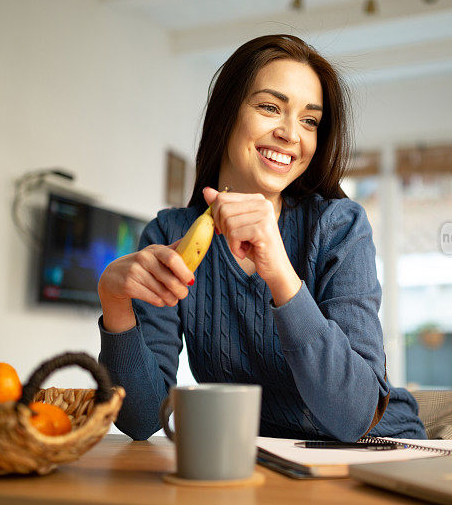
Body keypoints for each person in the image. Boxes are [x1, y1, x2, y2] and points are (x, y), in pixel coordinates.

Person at [97, 34, 426, 441]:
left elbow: (354, 415)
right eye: (270, 107)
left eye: (309, 120)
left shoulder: (340, 227)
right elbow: (143, 418)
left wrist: (281, 275)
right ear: (226, 115)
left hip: (378, 451)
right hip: (268, 461)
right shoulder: (171, 234)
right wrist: (116, 306)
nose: (292, 134)